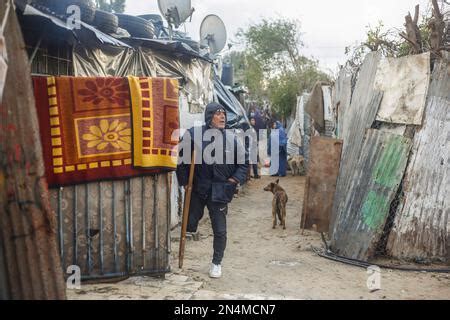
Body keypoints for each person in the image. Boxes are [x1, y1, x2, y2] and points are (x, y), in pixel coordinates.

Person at [176, 102, 249, 279]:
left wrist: (233, 180)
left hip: (220, 190)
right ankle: (181, 255)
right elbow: (181, 159)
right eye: (218, 113)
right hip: (199, 188)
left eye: (223, 113)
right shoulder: (194, 134)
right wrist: (185, 182)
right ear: (209, 117)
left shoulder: (232, 139)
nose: (223, 116)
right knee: (189, 223)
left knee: (220, 230)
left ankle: (216, 263)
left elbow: (244, 163)